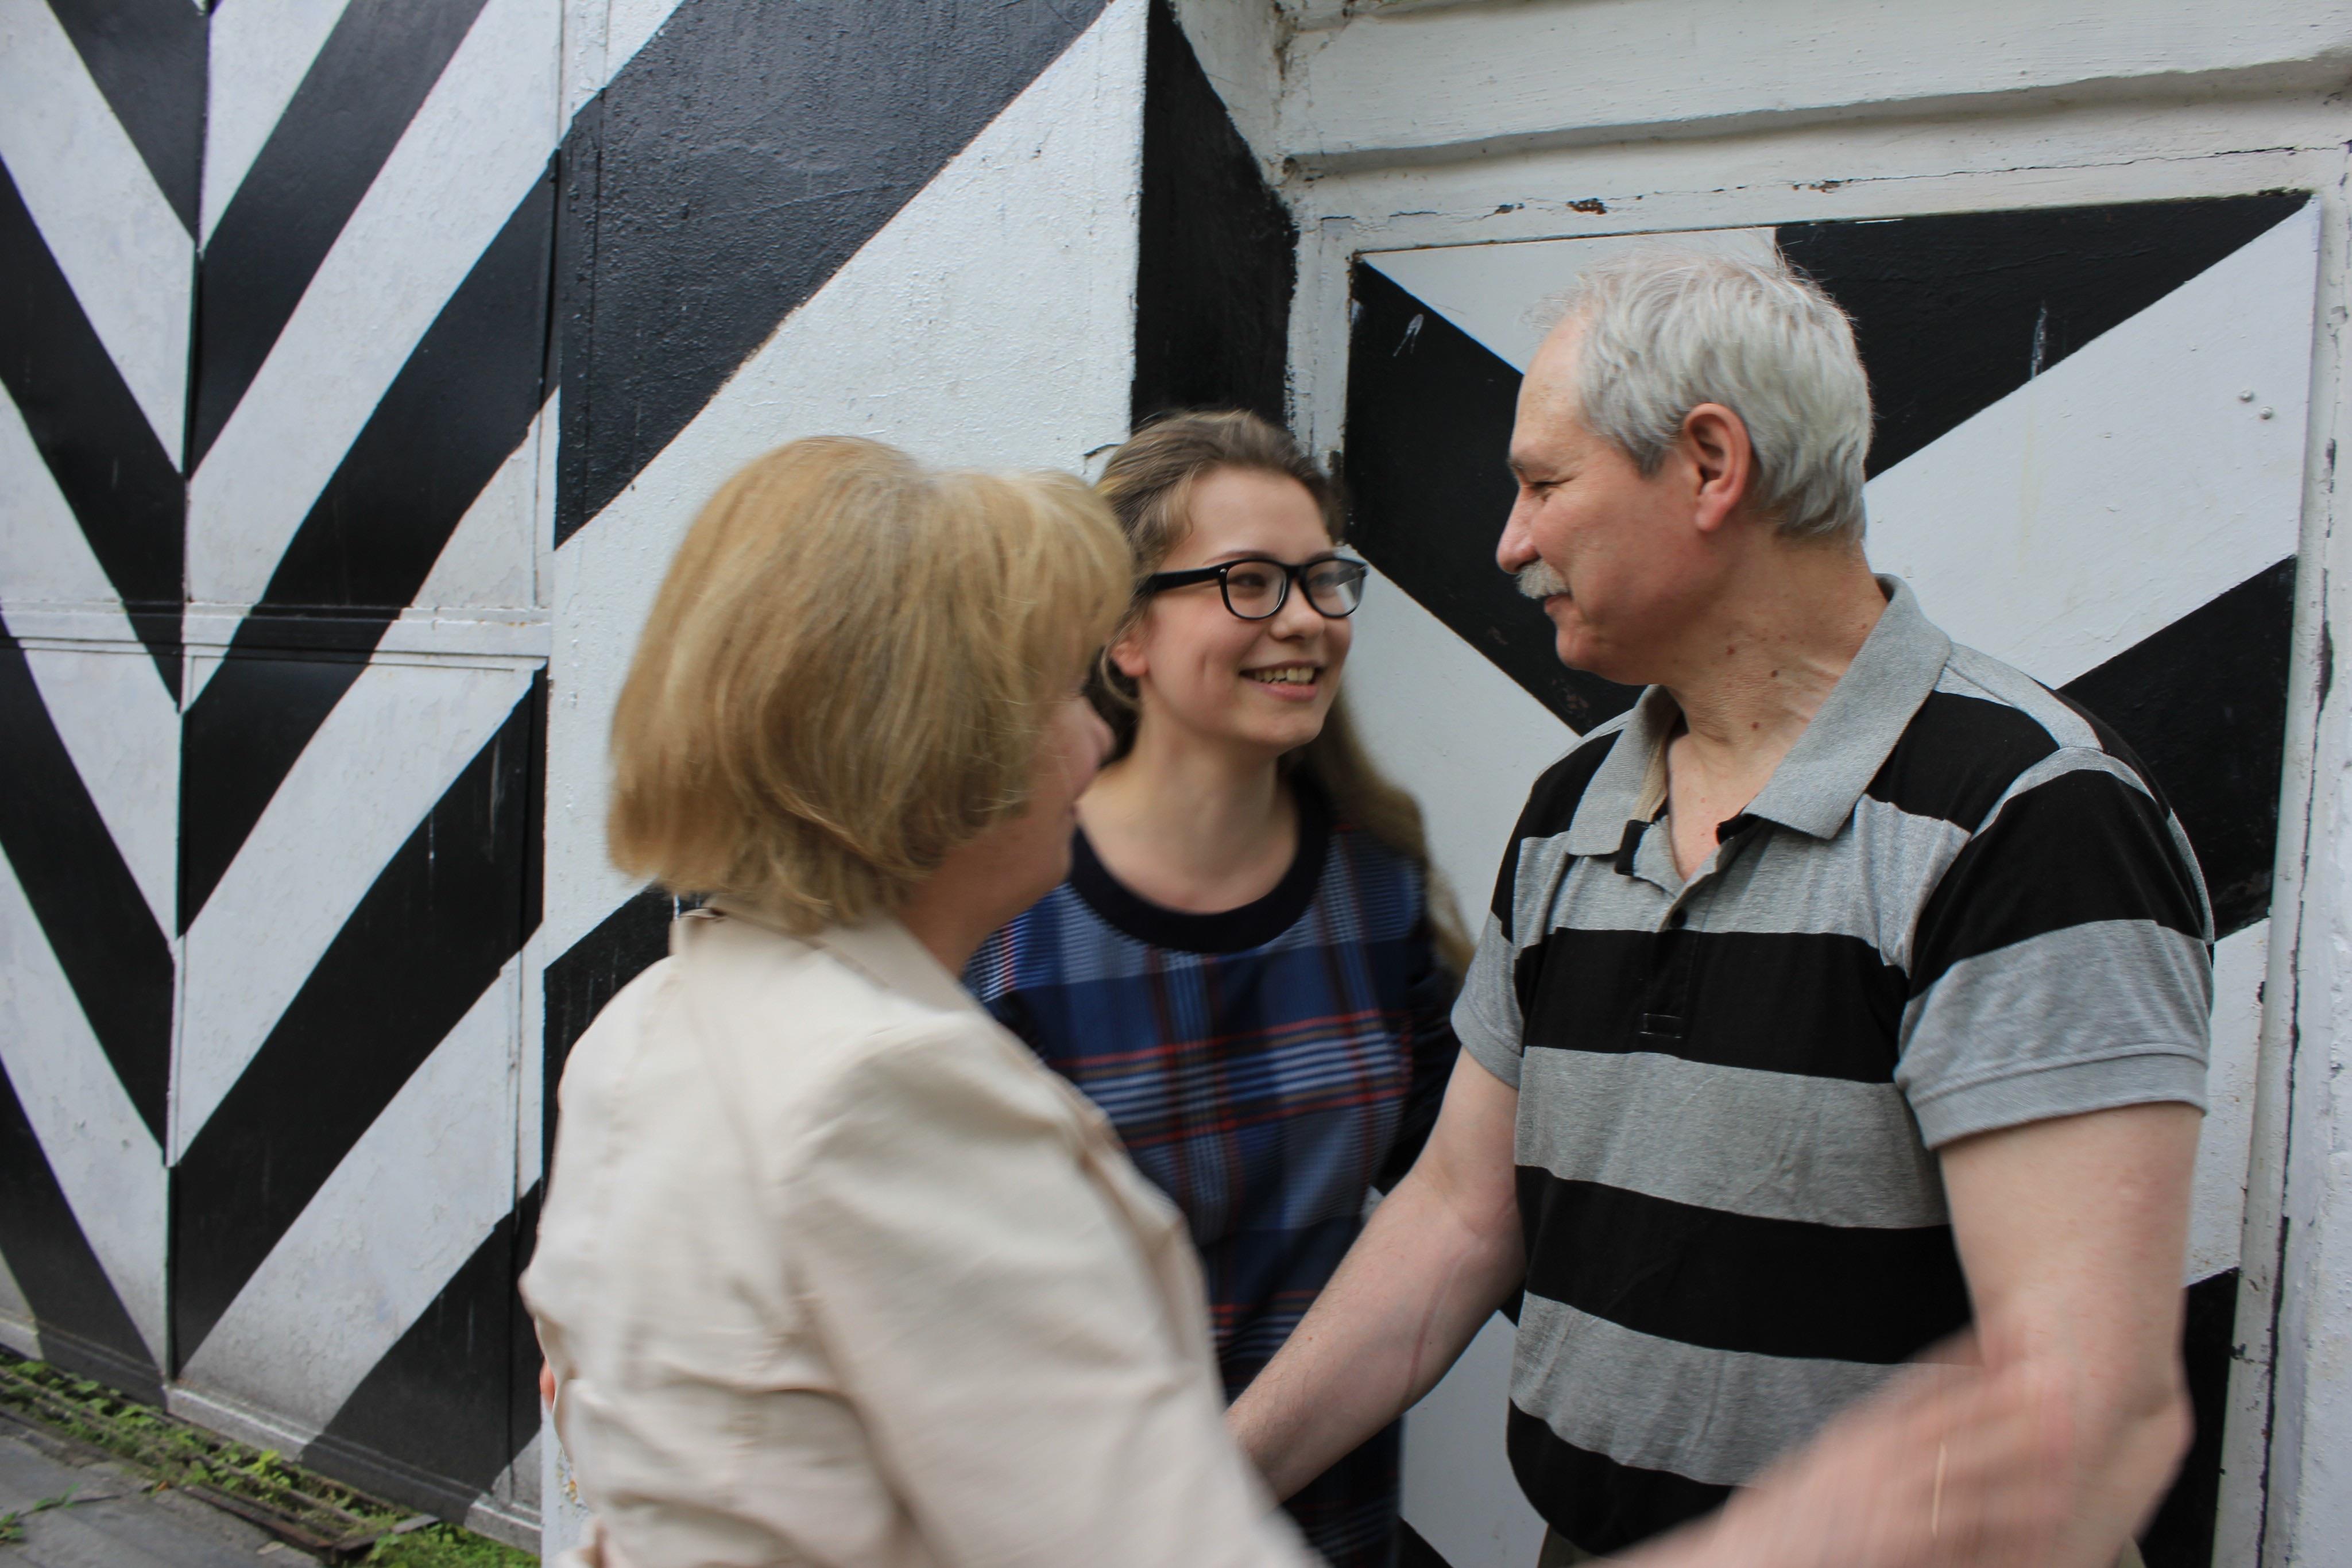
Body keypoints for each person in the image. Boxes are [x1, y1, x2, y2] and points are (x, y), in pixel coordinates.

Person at [1227, 249, 2211, 1568]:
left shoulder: (2028, 818)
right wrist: (1198, 1492)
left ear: (1707, 464)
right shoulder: (1572, 807)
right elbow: (1457, 1213)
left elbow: (2079, 1413)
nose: (1510, 542)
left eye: (1542, 484)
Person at [520, 437, 1321, 1567]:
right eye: (1063, 694)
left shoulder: (654, 1020)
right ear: (940, 745)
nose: (1098, 738)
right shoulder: (883, 1088)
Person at [963, 412, 1468, 1567]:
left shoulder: (1371, 885)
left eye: (1322, 579)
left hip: (1327, 1537)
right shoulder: (1006, 910)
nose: (1304, 619)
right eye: (1247, 581)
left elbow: (1465, 1191)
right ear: (1125, 632)